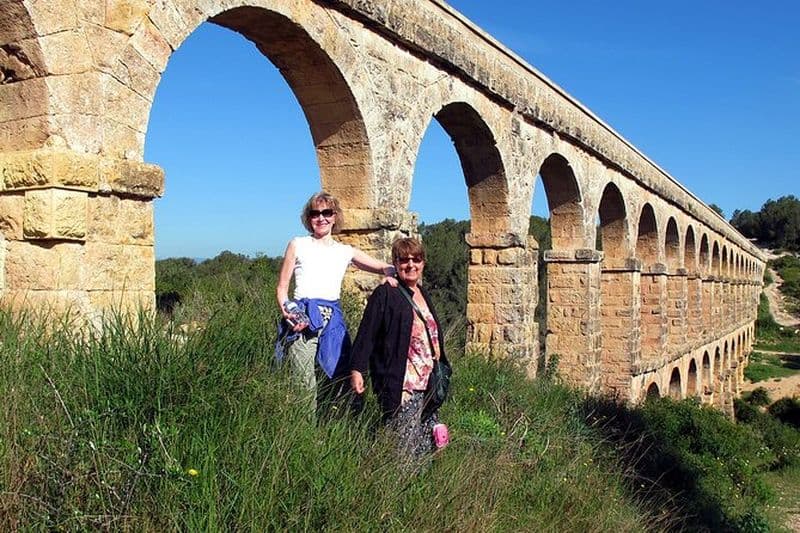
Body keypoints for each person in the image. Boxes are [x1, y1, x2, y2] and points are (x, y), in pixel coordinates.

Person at [275, 191, 397, 412]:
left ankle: (336, 426)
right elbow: (282, 288)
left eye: (327, 212)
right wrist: (289, 311)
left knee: (340, 378)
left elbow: (384, 266)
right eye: (315, 213)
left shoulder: (345, 251)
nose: (321, 218)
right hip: (303, 317)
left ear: (335, 216)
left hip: (333, 320)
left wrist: (389, 275)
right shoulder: (297, 244)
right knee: (304, 384)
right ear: (308, 218)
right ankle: (304, 436)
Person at [350, 237, 449, 458]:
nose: (410, 265)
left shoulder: (423, 293)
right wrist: (357, 370)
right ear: (395, 263)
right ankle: (396, 489)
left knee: (425, 448)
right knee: (403, 449)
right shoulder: (385, 294)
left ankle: (421, 490)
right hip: (403, 385)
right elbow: (367, 334)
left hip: (429, 386)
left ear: (423, 263)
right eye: (404, 260)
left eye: (416, 259)